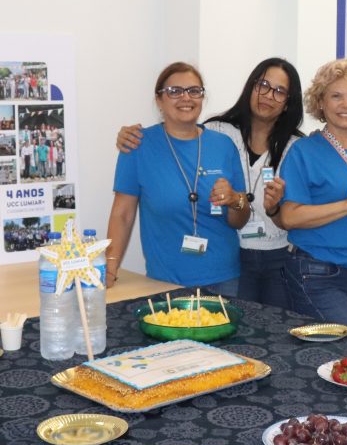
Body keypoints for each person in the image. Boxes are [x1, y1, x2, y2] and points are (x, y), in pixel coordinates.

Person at [116, 58, 304, 309]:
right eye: (263, 85)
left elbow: (277, 215)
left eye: (279, 91)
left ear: (288, 101)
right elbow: (181, 137)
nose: (269, 95)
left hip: (271, 257)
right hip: (226, 258)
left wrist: (257, 204)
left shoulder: (296, 147)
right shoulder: (220, 131)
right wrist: (126, 135)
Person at [105, 62, 250, 294]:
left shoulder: (223, 145)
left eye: (194, 91)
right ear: (159, 100)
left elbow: (240, 219)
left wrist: (235, 199)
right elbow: (122, 214)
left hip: (224, 279)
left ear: (202, 97)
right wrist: (110, 266)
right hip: (165, 281)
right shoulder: (137, 145)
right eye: (174, 91)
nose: (186, 98)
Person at [277, 59, 347, 331]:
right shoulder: (304, 151)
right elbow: (289, 217)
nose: (345, 104)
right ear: (321, 103)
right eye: (336, 96)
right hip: (317, 271)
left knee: (342, 352)